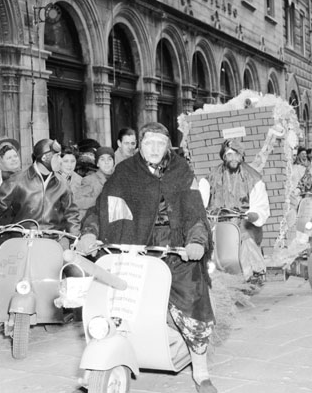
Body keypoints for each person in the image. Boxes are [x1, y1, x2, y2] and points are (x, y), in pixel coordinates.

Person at [78, 122, 217, 393]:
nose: (154, 148)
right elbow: (102, 207)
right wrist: (89, 232)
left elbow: (194, 213)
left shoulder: (181, 171)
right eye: (148, 142)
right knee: (113, 296)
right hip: (134, 243)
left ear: (168, 146)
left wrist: (196, 241)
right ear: (139, 145)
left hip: (176, 248)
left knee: (192, 297)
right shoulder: (125, 171)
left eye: (160, 143)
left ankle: (200, 370)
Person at [206, 139, 269, 281]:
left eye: (236, 154)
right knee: (208, 239)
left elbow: (260, 202)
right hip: (219, 220)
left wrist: (254, 214)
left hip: (244, 220)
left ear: (241, 156)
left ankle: (256, 271)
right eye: (229, 155)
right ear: (224, 157)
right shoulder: (213, 176)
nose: (233, 158)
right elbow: (203, 194)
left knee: (245, 237)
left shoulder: (253, 177)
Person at [75, 147, 115, 220]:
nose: (106, 162)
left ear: (113, 162)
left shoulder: (120, 179)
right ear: (97, 163)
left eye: (109, 159)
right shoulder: (89, 180)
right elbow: (78, 201)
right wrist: (99, 201)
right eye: (102, 159)